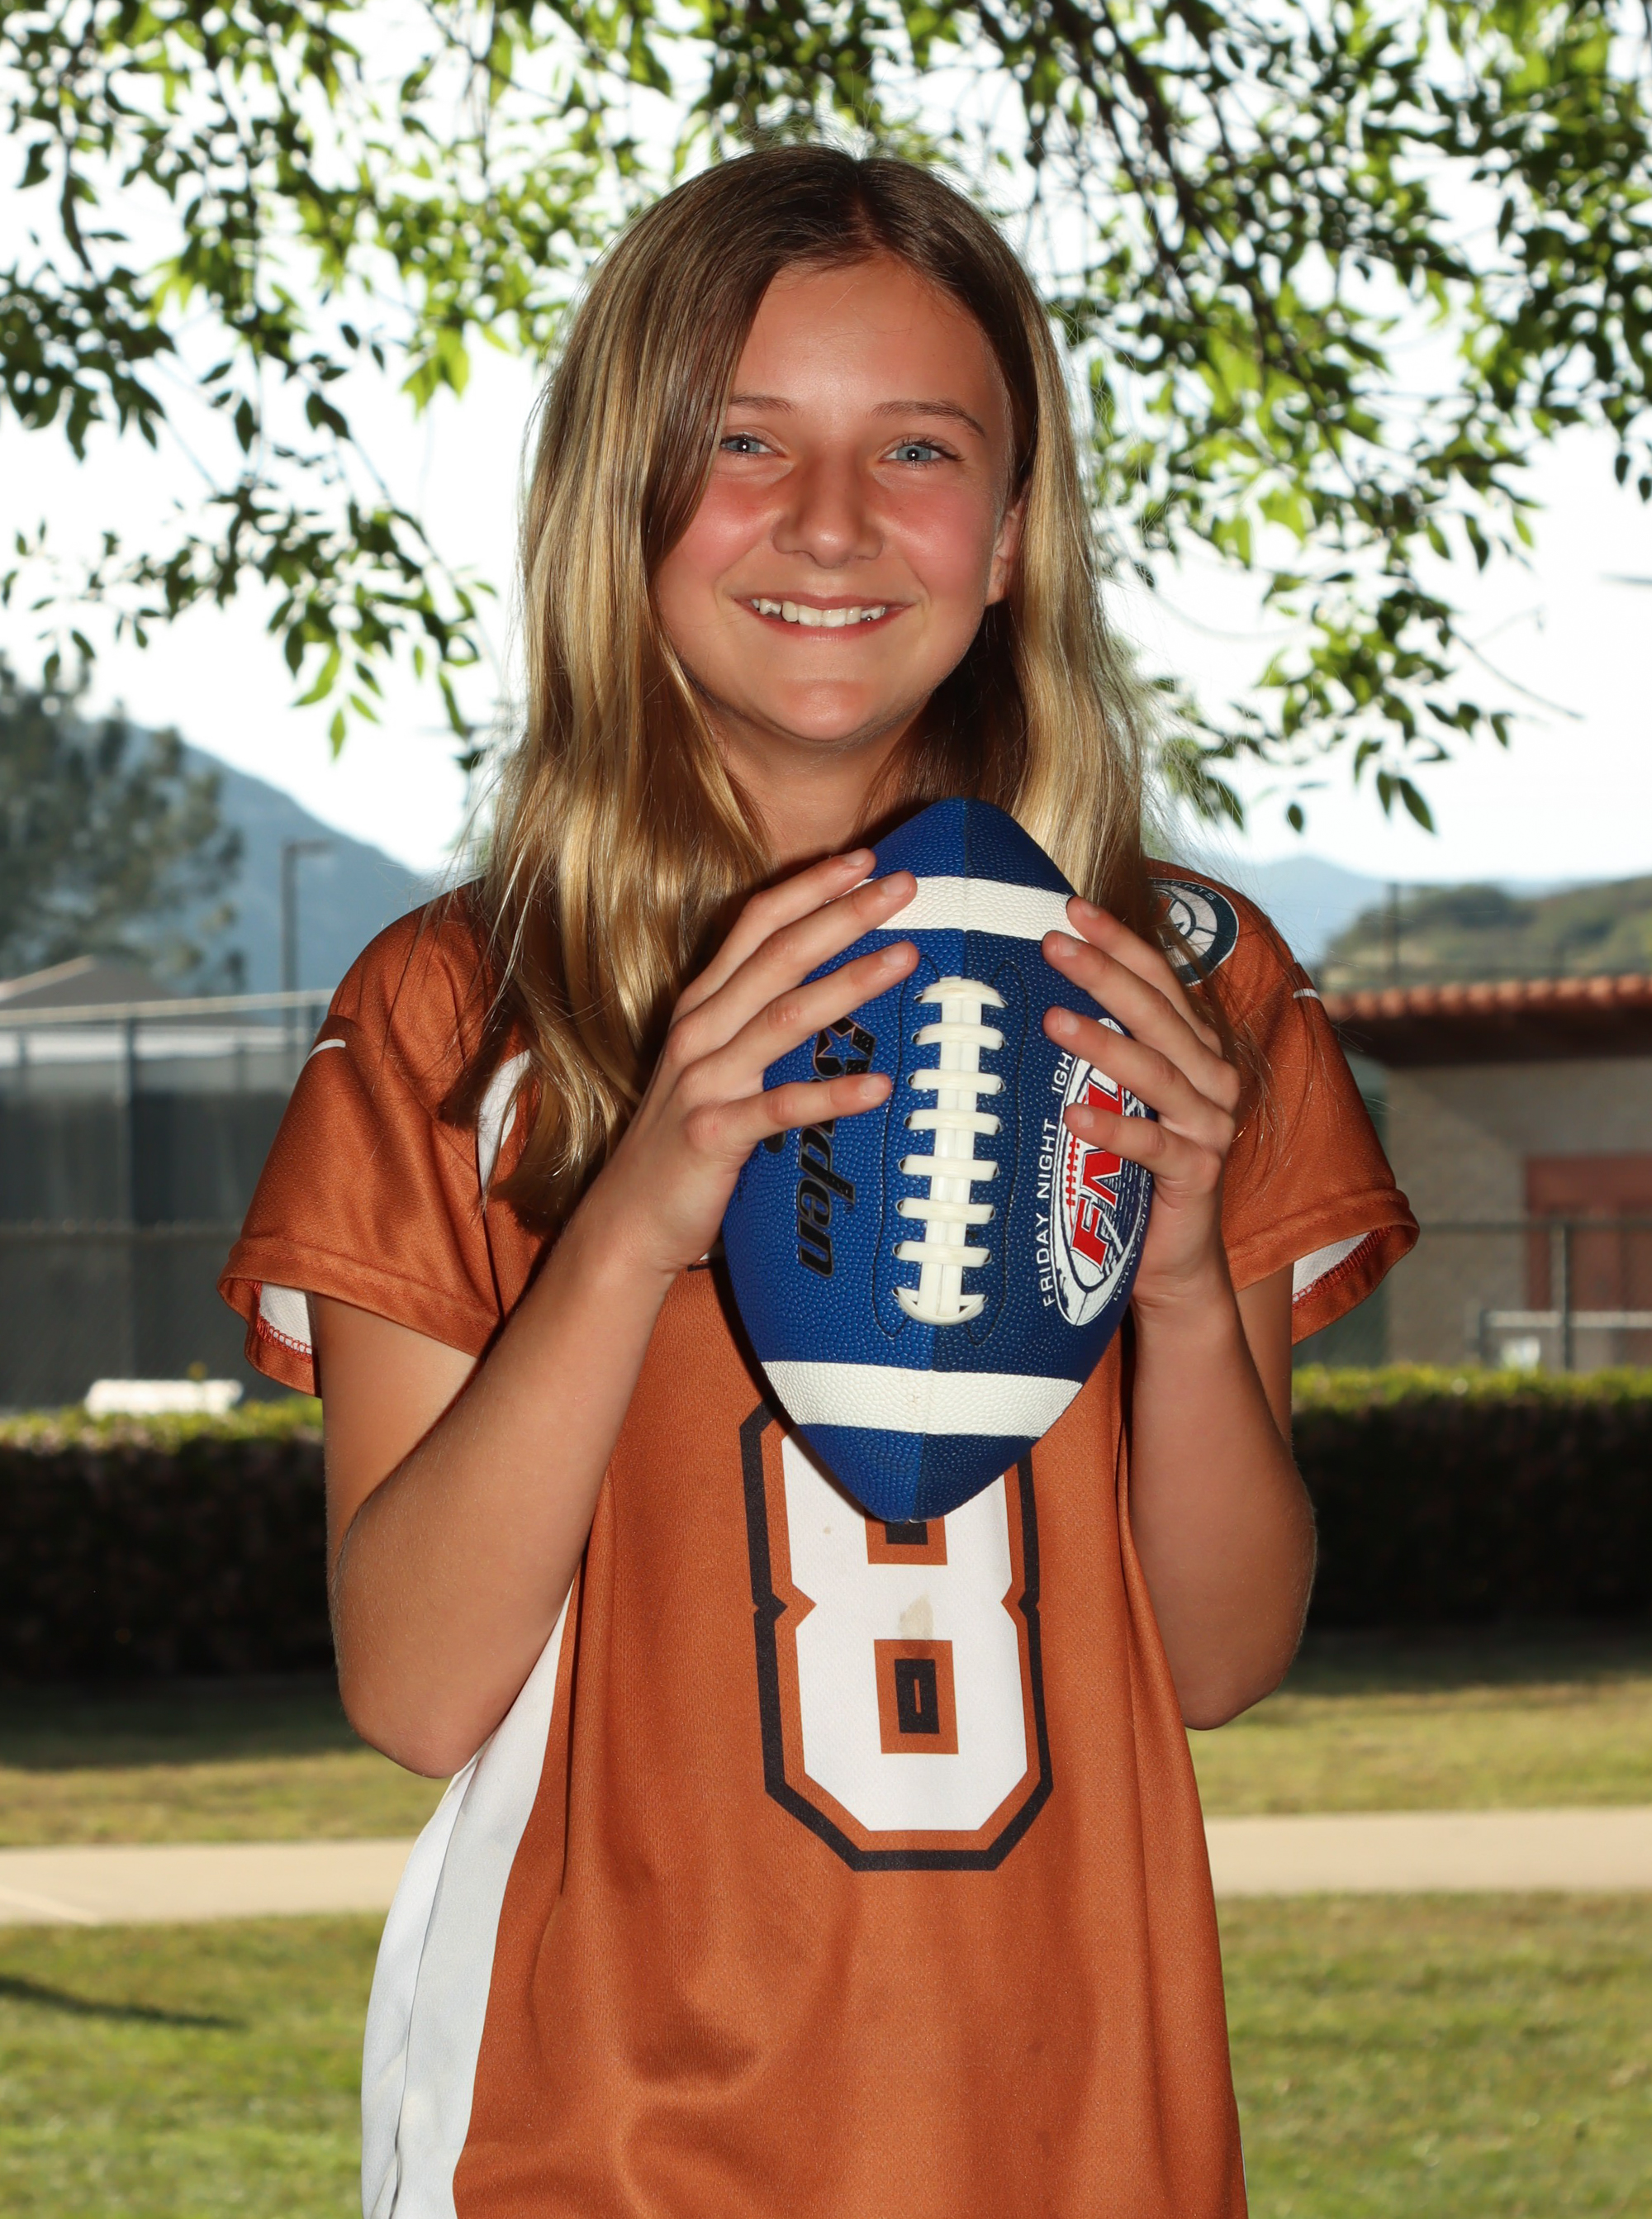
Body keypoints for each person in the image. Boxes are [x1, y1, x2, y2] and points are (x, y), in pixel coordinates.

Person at [221, 145, 1416, 2219]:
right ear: (622, 499)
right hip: (593, 2139)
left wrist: (1179, 1287)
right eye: (744, 441)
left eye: (919, 448)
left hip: (1079, 2131)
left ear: (1014, 529)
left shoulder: (1181, 983)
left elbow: (1217, 1658)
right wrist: (637, 1209)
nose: (835, 520)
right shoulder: (462, 1005)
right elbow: (413, 1690)